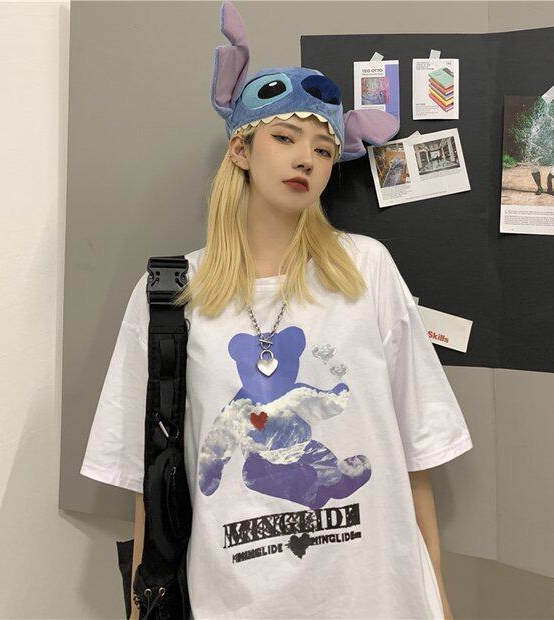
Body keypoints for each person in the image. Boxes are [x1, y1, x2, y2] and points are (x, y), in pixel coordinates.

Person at [80, 2, 473, 618]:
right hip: (236, 601)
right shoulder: (172, 294)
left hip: (375, 597)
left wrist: (438, 598)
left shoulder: (365, 268)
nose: (306, 159)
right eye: (285, 138)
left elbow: (416, 453)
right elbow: (147, 480)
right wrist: (140, 605)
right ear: (241, 149)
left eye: (323, 148)